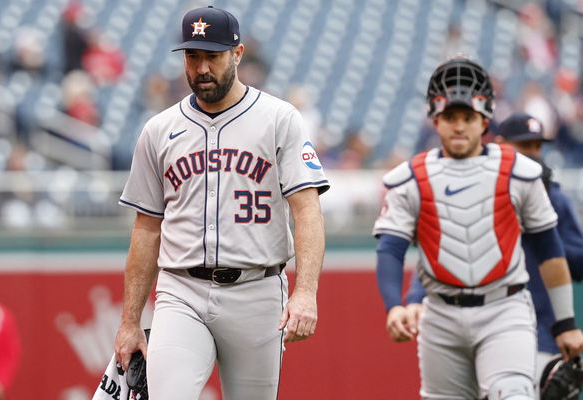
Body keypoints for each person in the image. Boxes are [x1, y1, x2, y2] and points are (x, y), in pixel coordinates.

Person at [114, 6, 329, 400]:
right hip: (182, 290)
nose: (201, 68)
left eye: (212, 55)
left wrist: (306, 292)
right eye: (192, 56)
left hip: (258, 290)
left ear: (238, 54)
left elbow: (307, 209)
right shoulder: (159, 130)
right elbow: (146, 228)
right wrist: (130, 322)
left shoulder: (279, 119)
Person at [372, 56, 583, 399]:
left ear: (484, 120)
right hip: (440, 314)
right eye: (450, 118)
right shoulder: (411, 178)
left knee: (513, 393)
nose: (459, 127)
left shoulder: (519, 171)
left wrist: (566, 323)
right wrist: (394, 305)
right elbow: (390, 248)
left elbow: (550, 251)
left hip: (505, 307)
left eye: (467, 117)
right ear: (435, 119)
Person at [495, 113, 583, 378]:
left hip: (543, 329)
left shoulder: (553, 197)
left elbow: (578, 264)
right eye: (524, 145)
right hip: (487, 326)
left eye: (537, 145)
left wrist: (542, 230)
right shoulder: (480, 192)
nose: (533, 153)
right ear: (501, 145)